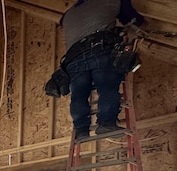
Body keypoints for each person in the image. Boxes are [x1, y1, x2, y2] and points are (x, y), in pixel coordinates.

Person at [60, 0, 144, 140]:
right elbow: (135, 20)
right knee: (107, 87)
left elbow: (64, 22)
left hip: (73, 60)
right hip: (101, 51)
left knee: (78, 95)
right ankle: (106, 122)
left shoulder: (68, 14)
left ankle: (80, 130)